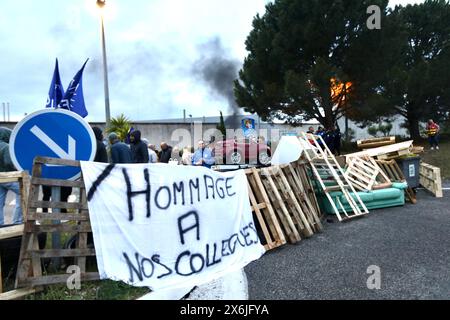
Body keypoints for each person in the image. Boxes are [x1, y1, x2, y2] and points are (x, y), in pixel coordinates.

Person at [0, 127, 23, 225]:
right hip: (9, 177)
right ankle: (18, 222)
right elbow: (12, 163)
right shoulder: (6, 147)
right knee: (25, 193)